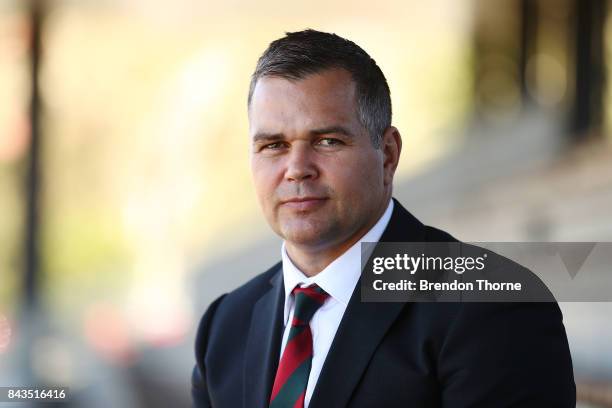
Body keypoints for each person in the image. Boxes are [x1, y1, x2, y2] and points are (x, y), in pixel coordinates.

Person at [192, 29, 575, 407]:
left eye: (328, 141)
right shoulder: (226, 325)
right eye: (273, 145)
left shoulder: (491, 309)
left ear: (388, 154)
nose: (297, 169)